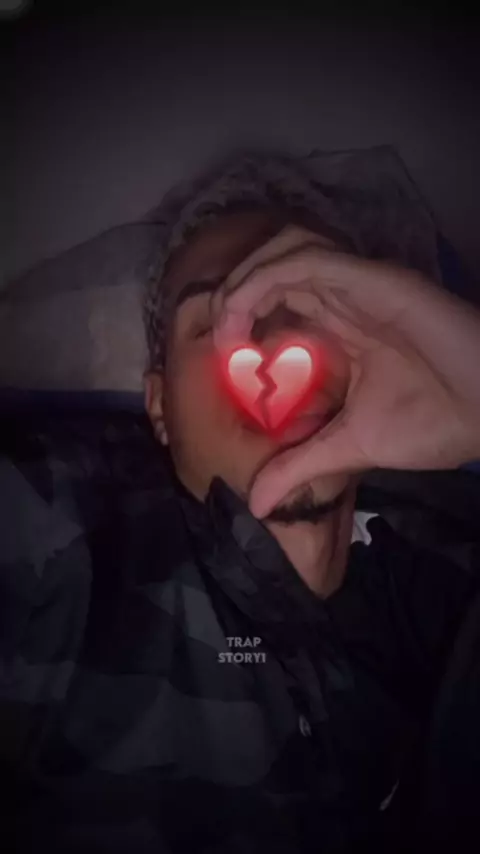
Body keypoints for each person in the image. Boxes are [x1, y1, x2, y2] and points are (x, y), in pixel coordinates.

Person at [1, 152, 479, 854]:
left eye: (308, 309)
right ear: (160, 407)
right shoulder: (57, 534)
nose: (270, 341)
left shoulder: (453, 583)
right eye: (211, 322)